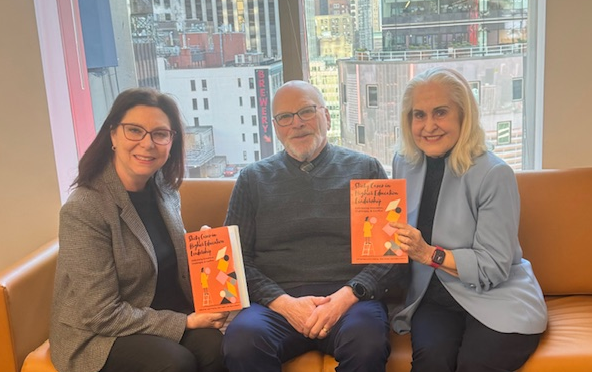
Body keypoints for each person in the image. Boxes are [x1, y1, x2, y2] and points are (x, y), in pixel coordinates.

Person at [221, 80, 407, 372]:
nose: (296, 124)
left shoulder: (365, 170)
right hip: (276, 304)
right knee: (242, 340)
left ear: (327, 116)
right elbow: (235, 261)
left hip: (350, 300)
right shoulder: (252, 180)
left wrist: (346, 296)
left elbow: (391, 256)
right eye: (285, 117)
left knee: (367, 343)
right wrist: (283, 304)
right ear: (275, 126)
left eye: (306, 111)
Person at [50, 88, 228, 372]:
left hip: (158, 312)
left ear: (171, 142)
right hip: (100, 333)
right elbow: (101, 314)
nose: (148, 144)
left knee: (217, 347)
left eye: (160, 134)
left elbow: (167, 260)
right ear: (113, 135)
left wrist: (204, 249)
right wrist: (186, 322)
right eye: (135, 130)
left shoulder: (164, 189)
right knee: (175, 363)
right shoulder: (84, 208)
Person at [390, 68, 547, 372]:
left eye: (441, 113)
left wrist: (426, 253)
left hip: (497, 295)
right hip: (434, 298)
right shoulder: (403, 162)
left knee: (474, 365)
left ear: (464, 116)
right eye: (418, 115)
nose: (428, 126)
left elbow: (494, 266)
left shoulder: (494, 173)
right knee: (430, 363)